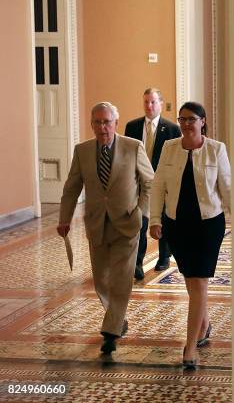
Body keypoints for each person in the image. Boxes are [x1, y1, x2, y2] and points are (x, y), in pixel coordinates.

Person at [57, 102, 154, 354]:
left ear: (115, 123)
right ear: (92, 124)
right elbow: (71, 187)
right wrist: (64, 218)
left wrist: (142, 213)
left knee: (122, 279)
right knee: (102, 280)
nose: (103, 127)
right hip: (97, 223)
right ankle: (117, 319)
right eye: (98, 122)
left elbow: (149, 183)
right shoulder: (82, 151)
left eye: (107, 122)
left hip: (127, 222)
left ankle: (110, 331)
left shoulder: (133, 147)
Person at [149, 101, 230, 369]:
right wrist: (156, 219)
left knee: (200, 284)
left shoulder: (216, 149)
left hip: (208, 225)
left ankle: (190, 347)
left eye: (191, 119)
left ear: (203, 121)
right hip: (177, 225)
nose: (185, 124)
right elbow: (158, 185)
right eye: (182, 119)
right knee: (190, 281)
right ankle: (204, 325)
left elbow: (227, 188)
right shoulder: (170, 148)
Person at [125, 88, 181, 280]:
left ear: (160, 104)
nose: (149, 106)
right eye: (146, 102)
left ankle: (164, 256)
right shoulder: (132, 127)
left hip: (163, 181)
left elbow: (176, 157)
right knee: (140, 222)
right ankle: (137, 262)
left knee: (163, 218)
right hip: (138, 183)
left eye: (153, 102)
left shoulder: (172, 129)